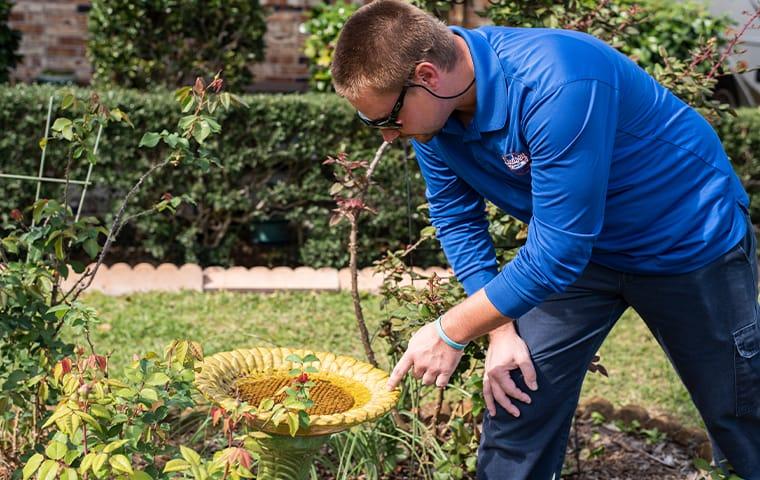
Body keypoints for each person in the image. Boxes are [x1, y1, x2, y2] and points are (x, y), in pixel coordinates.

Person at [330, 1, 760, 478]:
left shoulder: (559, 82)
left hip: (687, 240)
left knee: (737, 411)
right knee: (516, 398)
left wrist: (451, 330)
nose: (389, 138)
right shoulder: (435, 122)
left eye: (386, 119)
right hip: (580, 256)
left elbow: (559, 252)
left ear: (427, 75)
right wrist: (498, 329)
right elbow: (456, 216)